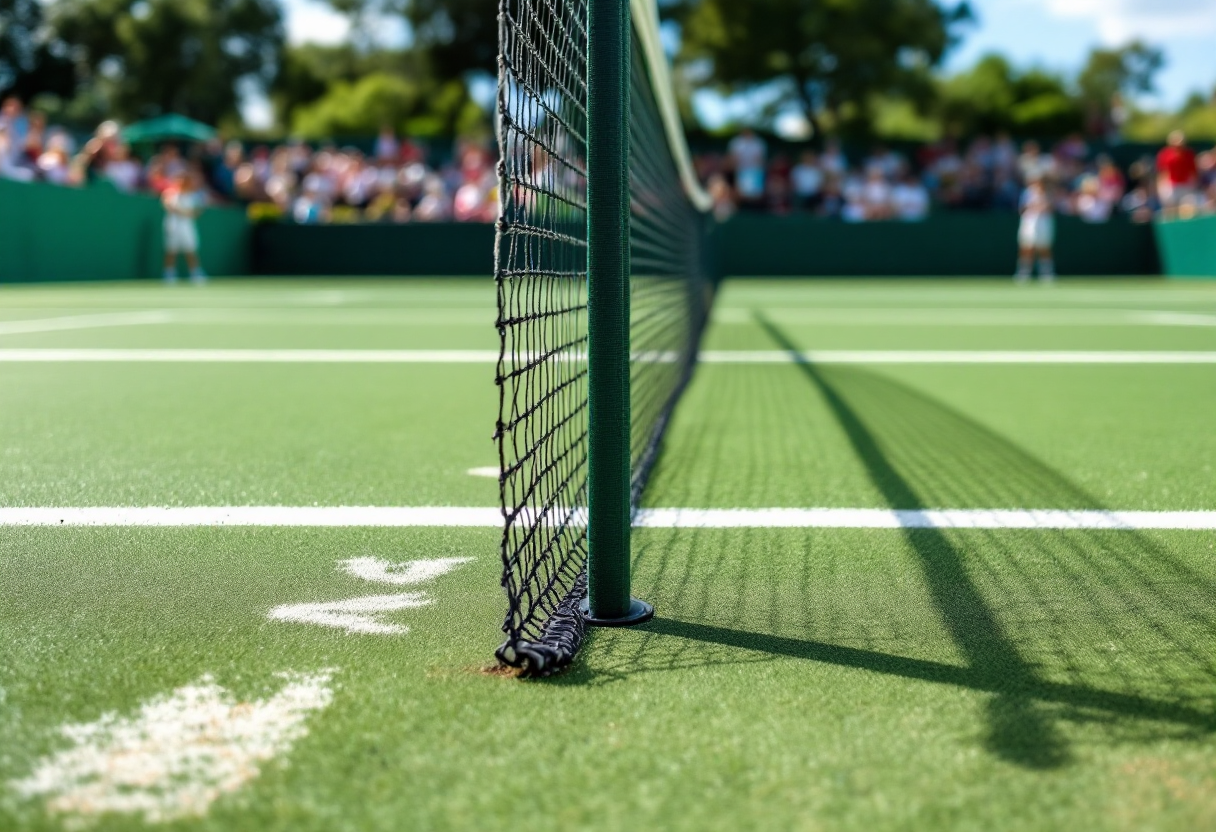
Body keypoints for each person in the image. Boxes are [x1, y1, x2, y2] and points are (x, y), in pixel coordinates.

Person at [162, 169, 207, 284]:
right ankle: (169, 274)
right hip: (172, 227)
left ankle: (196, 274)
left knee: (191, 250)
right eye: (179, 179)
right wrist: (184, 212)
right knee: (171, 251)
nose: (182, 181)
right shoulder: (170, 194)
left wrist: (184, 212)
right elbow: (167, 204)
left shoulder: (194, 196)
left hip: (187, 227)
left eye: (184, 179)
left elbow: (197, 212)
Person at [1015, 179, 1054, 283]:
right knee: (1026, 247)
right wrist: (1033, 206)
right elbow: (1022, 208)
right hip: (1029, 222)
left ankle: (1046, 273)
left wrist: (1042, 205)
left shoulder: (1047, 193)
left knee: (1044, 248)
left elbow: (1050, 208)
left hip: (1043, 223)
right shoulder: (1027, 193)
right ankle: (1023, 273)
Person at [1156, 130, 1197, 218]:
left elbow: (1193, 172)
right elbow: (1162, 172)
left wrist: (1194, 186)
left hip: (1186, 185)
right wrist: (1162, 187)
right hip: (1171, 186)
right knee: (1171, 211)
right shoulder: (1165, 154)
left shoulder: (1189, 154)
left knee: (1188, 210)